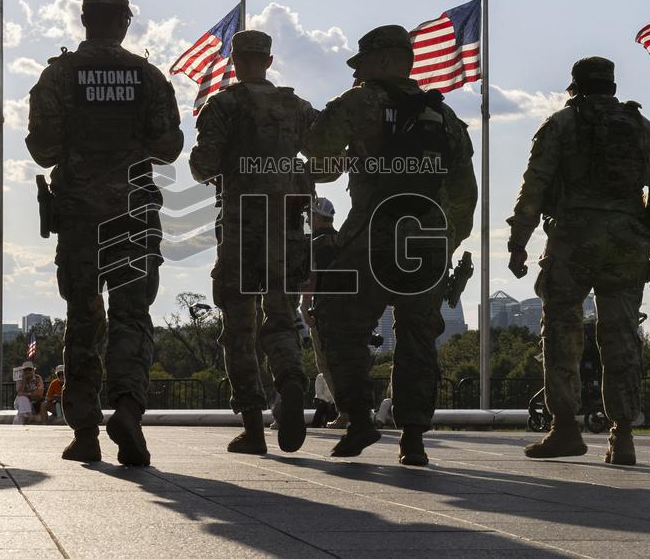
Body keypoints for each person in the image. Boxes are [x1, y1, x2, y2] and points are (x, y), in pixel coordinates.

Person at [303, 25, 477, 465]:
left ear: (382, 60)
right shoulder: (445, 117)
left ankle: (358, 418)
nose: (357, 74)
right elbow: (464, 193)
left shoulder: (359, 102)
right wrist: (447, 242)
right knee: (418, 335)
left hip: (371, 235)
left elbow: (318, 162)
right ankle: (413, 438)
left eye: (361, 64)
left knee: (336, 318)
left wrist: (345, 159)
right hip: (426, 240)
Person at [26, 0, 183, 464]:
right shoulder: (148, 77)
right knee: (131, 315)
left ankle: (85, 432)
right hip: (134, 213)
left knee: (83, 318)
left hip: (79, 216)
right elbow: (169, 146)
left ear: (84, 19)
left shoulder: (59, 77)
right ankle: (129, 410)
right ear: (125, 21)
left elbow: (43, 148)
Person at [508, 56, 650, 466]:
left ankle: (565, 428)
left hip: (573, 237)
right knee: (621, 336)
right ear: (612, 85)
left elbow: (535, 185)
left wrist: (519, 240)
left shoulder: (562, 124)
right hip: (627, 240)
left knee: (562, 332)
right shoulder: (643, 128)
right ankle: (622, 436)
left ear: (575, 86)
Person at [189, 29, 316, 455]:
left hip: (242, 229)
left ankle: (253, 428)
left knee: (239, 329)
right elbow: (331, 161)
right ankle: (293, 381)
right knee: (281, 317)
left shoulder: (223, 105)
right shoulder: (297, 108)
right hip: (288, 230)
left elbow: (202, 166)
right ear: (269, 59)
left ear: (234, 60)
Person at [300, 197, 346, 427]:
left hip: (325, 311)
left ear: (318, 217)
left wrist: (304, 305)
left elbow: (312, 276)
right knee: (347, 361)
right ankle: (354, 409)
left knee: (327, 363)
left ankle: (345, 411)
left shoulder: (316, 244)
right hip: (348, 310)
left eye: (310, 215)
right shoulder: (342, 241)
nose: (308, 219)